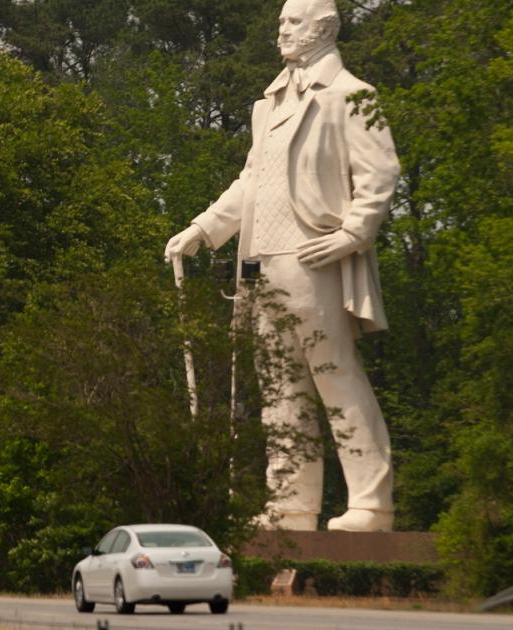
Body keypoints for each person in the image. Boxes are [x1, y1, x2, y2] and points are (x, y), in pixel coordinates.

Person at [164, 0, 399, 532]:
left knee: (335, 374)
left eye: (292, 24)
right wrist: (204, 229)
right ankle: (290, 502)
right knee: (278, 384)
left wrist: (352, 234)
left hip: (316, 256)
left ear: (323, 28)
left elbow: (380, 172)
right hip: (263, 260)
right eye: (280, 24)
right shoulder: (267, 105)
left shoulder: (354, 95)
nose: (281, 33)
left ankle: (371, 502)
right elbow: (252, 181)